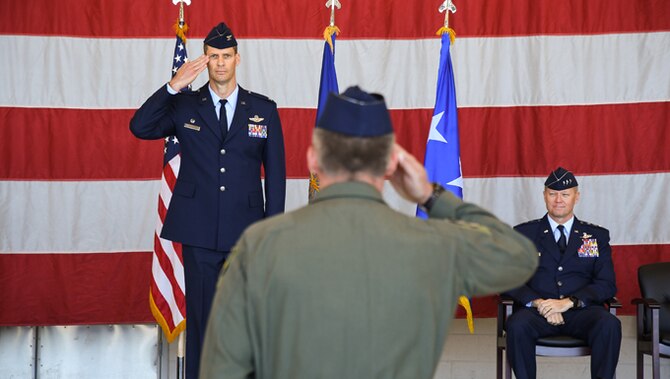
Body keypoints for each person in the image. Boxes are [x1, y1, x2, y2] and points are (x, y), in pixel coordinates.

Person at [199, 86, 538, 379]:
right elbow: (518, 257)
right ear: (392, 163)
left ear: (313, 159)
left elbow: (222, 369)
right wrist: (430, 195)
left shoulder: (261, 246)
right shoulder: (434, 245)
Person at [129, 21, 286, 379]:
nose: (219, 63)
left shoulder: (263, 110)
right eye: (213, 56)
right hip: (198, 234)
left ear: (237, 59)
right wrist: (173, 86)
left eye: (226, 56)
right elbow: (140, 127)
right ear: (205, 59)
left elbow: (275, 178)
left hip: (246, 235)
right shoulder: (185, 106)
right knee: (201, 319)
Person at [504, 167, 621, 379]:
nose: (559, 199)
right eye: (552, 193)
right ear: (544, 196)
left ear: (576, 197)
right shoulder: (524, 234)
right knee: (516, 325)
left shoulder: (596, 236)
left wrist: (569, 302)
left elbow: (606, 283)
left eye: (565, 194)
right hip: (536, 313)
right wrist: (540, 303)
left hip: (581, 312)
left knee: (609, 324)